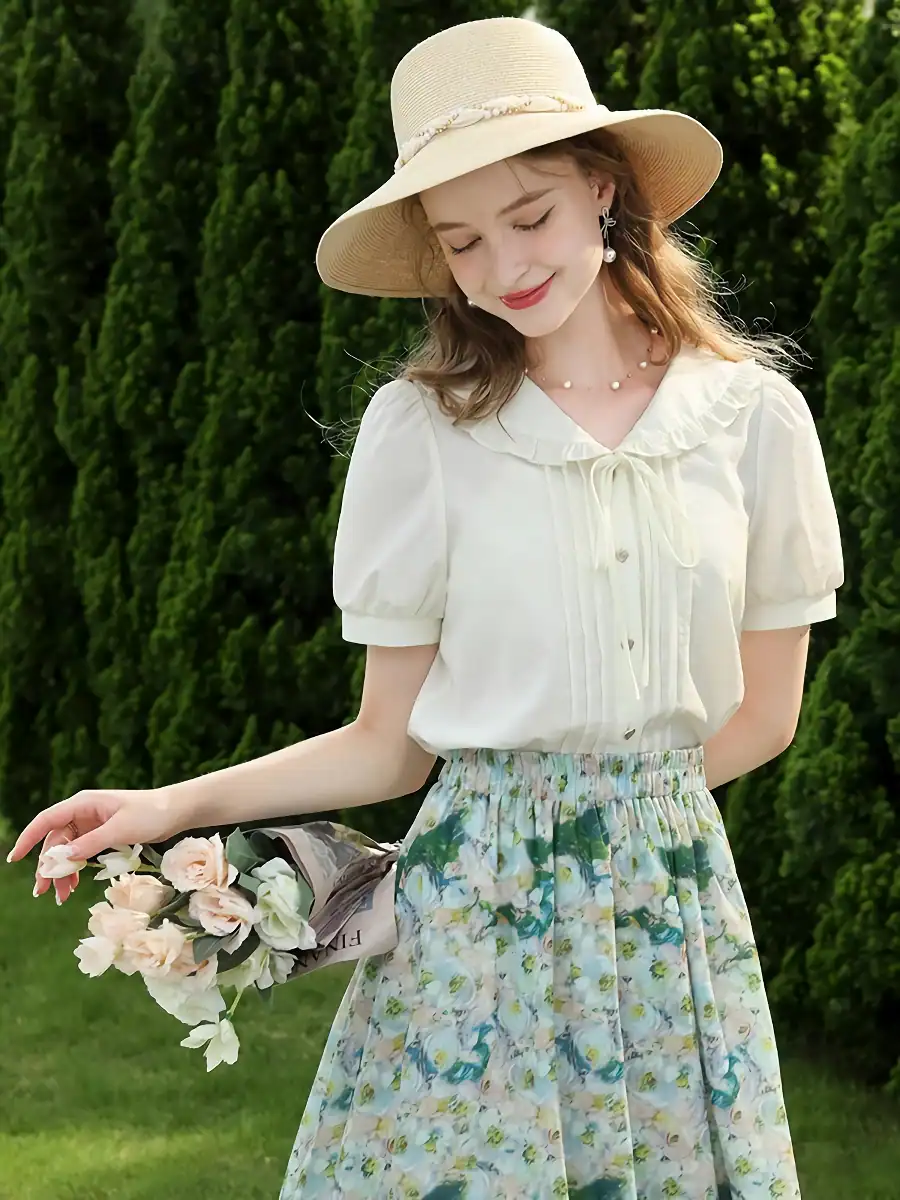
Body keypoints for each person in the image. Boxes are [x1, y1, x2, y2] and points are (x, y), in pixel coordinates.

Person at [5, 16, 843, 1200]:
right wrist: (164, 805)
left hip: (671, 924)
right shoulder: (424, 432)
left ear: (603, 192)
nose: (506, 266)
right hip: (470, 922)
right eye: (463, 241)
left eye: (530, 214)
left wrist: (602, 822)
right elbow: (385, 742)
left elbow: (765, 715)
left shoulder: (754, 421)